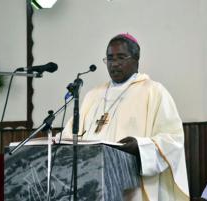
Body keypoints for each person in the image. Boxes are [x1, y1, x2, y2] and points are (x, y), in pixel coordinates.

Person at [61, 33, 189, 201]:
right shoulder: (93, 95)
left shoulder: (154, 92)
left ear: (136, 59)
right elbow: (69, 136)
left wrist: (141, 147)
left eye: (121, 57)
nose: (114, 64)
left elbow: (173, 139)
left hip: (131, 185)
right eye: (110, 58)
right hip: (91, 183)